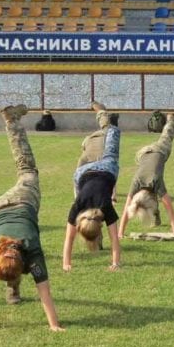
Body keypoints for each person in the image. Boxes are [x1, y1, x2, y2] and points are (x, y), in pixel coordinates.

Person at [0, 105, 64, 333]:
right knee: (26, 168)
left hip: (8, 205)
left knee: (26, 168)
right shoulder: (19, 249)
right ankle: (12, 122)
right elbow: (45, 293)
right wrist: (53, 326)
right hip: (4, 207)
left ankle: (12, 292)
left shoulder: (0, 250)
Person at [63, 102, 122, 271]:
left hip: (95, 170)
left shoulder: (101, 205)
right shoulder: (84, 206)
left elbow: (114, 239)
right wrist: (115, 264)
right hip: (83, 173)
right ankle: (100, 121)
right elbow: (114, 240)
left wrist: (67, 264)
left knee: (110, 132)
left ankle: (104, 118)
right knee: (107, 132)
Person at [118, 113, 174, 236]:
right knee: (153, 194)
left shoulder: (154, 180)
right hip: (142, 155)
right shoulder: (137, 181)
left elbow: (169, 208)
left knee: (167, 136)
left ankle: (171, 120)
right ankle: (156, 217)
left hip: (158, 150)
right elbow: (128, 208)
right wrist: (120, 233)